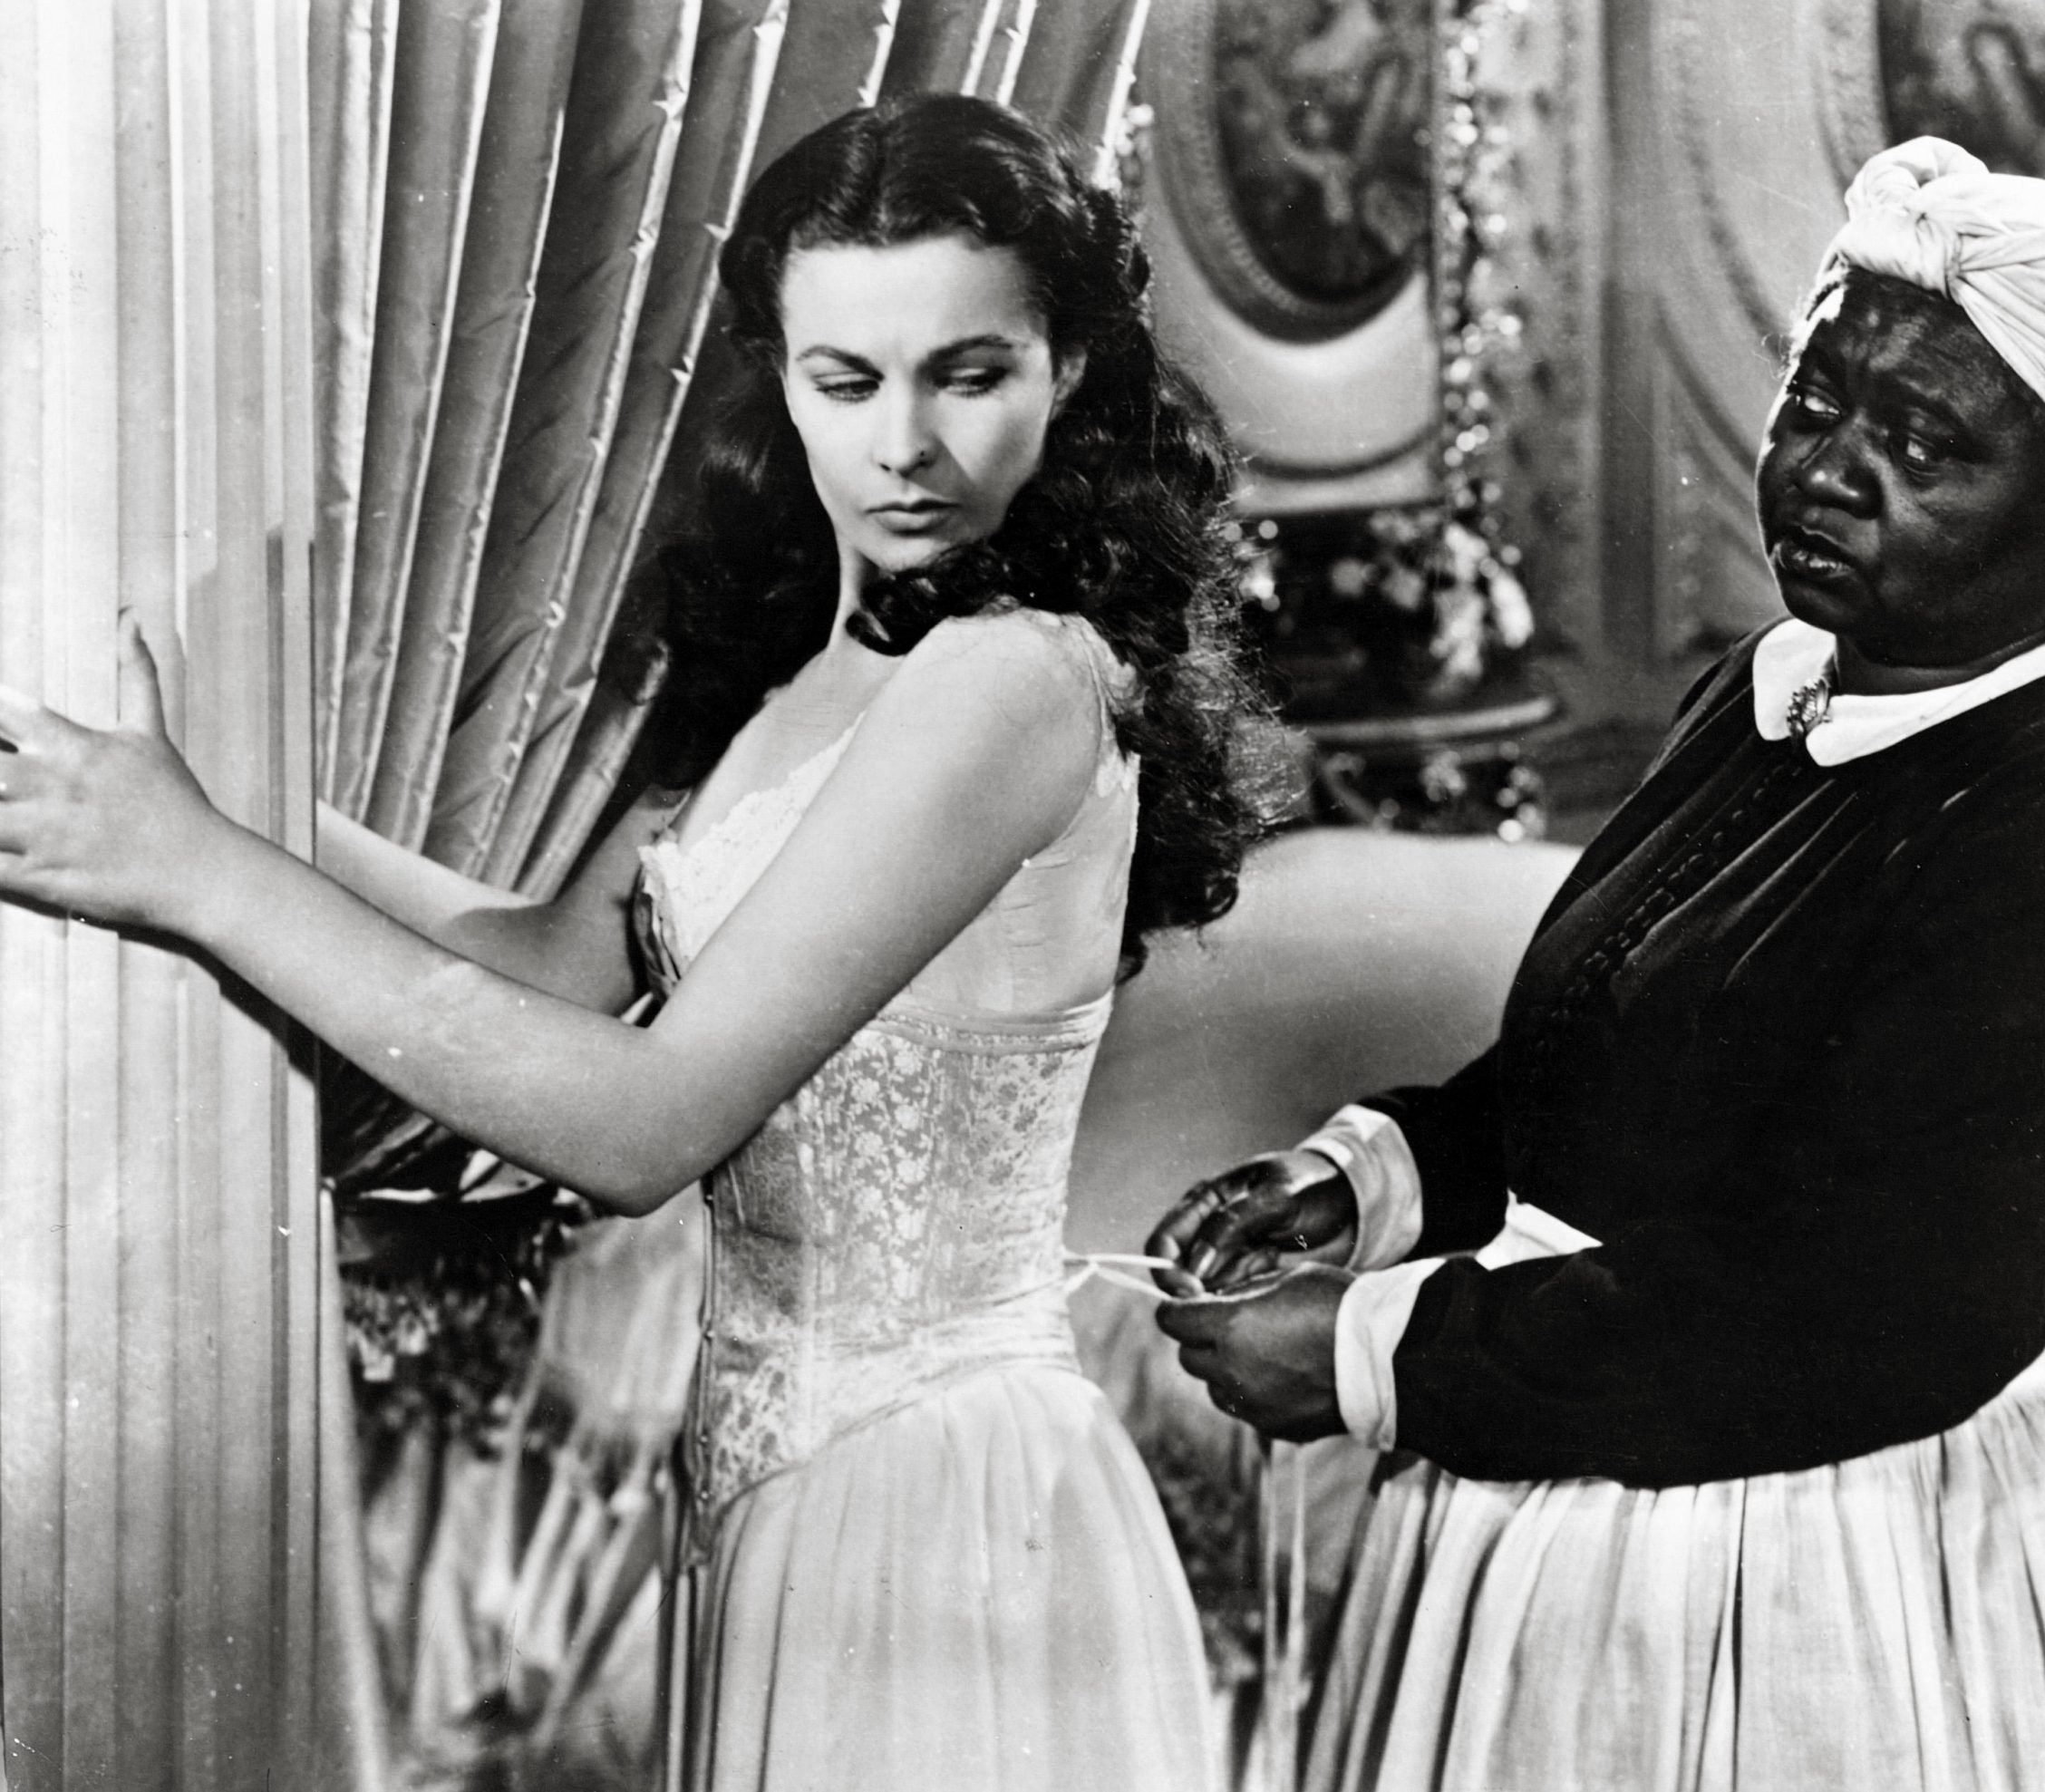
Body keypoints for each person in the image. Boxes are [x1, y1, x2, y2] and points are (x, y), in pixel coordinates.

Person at [0, 94, 1265, 1792]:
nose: (907, 445)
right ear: (780, 379)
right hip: (768, 1483)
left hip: (942, 1510)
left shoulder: (1017, 677)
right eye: (846, 380)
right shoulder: (795, 660)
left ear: (1072, 370)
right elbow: (538, 962)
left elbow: (642, 1126)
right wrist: (238, 803)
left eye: (970, 375)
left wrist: (200, 872)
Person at [1150, 137, 2045, 1789]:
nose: (1831, 470)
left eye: (1924, 444)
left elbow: (1848, 1312)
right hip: (1665, 1440)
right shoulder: (1807, 678)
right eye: (1818, 398)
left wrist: (1379, 1351)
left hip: (1920, 1556)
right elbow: (1659, 1050)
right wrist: (1386, 1176)